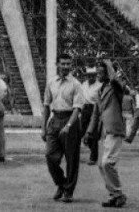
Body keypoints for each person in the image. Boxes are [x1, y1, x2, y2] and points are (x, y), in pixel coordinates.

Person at [41, 52, 84, 203]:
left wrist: (69, 126)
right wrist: (43, 127)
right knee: (49, 155)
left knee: (71, 159)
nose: (66, 66)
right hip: (55, 119)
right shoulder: (51, 82)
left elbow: (77, 109)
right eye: (63, 63)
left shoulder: (76, 84)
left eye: (68, 64)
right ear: (57, 65)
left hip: (70, 120)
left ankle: (69, 191)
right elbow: (46, 105)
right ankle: (61, 183)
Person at [83, 60, 127, 208]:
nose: (98, 75)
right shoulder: (100, 89)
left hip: (115, 129)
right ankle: (114, 194)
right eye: (98, 72)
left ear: (108, 73)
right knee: (102, 165)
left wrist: (109, 65)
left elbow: (117, 82)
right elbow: (96, 112)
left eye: (102, 72)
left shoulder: (115, 88)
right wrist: (89, 131)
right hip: (103, 131)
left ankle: (119, 193)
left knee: (107, 163)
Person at [80, 67, 102, 165]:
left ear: (95, 75)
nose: (91, 77)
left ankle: (93, 158)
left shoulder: (99, 86)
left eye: (93, 75)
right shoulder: (83, 85)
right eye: (89, 75)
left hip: (94, 109)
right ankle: (89, 146)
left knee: (93, 134)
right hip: (84, 109)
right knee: (82, 132)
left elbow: (101, 100)